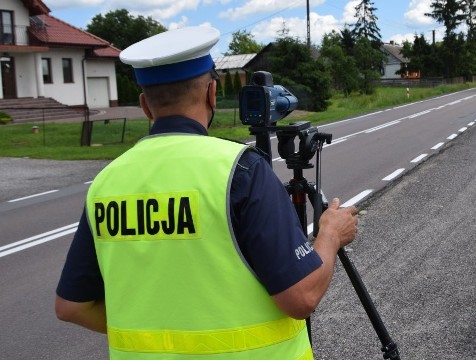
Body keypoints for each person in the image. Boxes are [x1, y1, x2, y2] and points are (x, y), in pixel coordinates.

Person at [54, 26, 358, 359]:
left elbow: (71, 307)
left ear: (144, 105)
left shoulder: (107, 182)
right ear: (212, 94)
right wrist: (329, 235)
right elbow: (301, 298)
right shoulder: (241, 170)